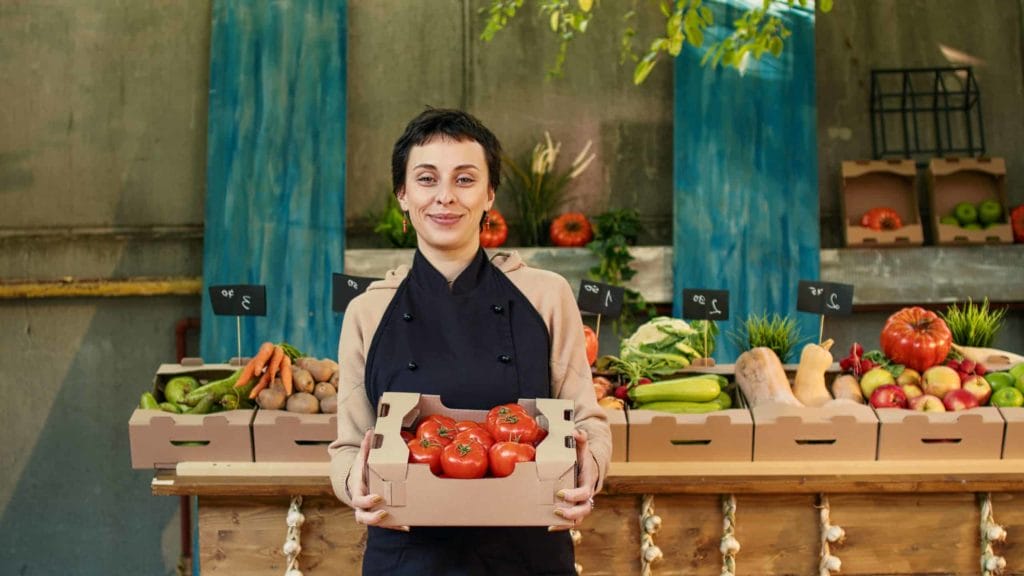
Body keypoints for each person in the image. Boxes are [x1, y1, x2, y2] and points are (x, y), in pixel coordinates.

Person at [328, 107, 611, 576]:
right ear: (402, 194)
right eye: (425, 179)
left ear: (489, 194)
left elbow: (588, 420)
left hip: (527, 555)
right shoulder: (368, 311)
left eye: (464, 179)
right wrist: (353, 483)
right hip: (407, 557)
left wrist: (590, 471)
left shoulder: (545, 295)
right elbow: (348, 446)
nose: (444, 197)